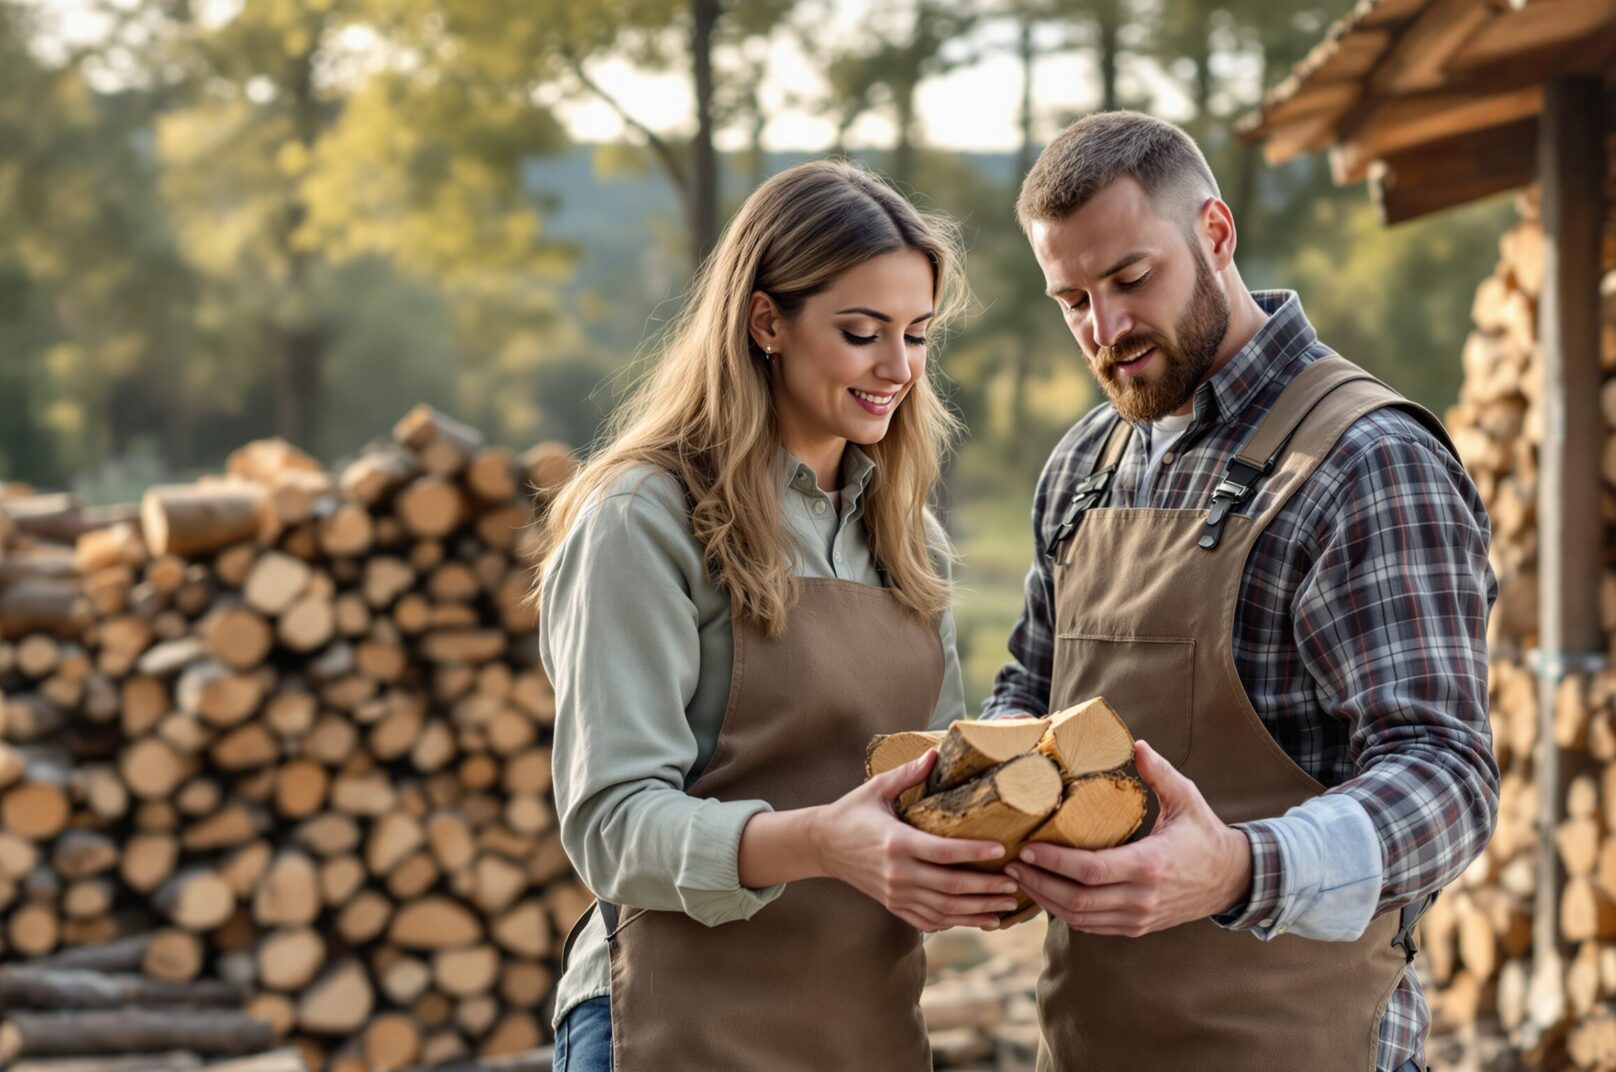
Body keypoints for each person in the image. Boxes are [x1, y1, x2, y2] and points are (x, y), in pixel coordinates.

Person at [983, 111, 1501, 1072]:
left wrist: (1236, 868)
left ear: (1215, 235)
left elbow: (1446, 776)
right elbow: (1027, 689)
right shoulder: (1082, 467)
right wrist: (986, 812)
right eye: (1073, 301)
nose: (1108, 330)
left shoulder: (1365, 459)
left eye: (1133, 280)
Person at [534, 159, 1018, 1072]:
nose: (898, 368)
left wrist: (990, 855)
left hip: (863, 1026)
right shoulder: (643, 515)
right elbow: (613, 826)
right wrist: (825, 844)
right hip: (676, 1023)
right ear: (766, 321)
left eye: (916, 336)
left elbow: (927, 794)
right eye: (862, 332)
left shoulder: (908, 536)